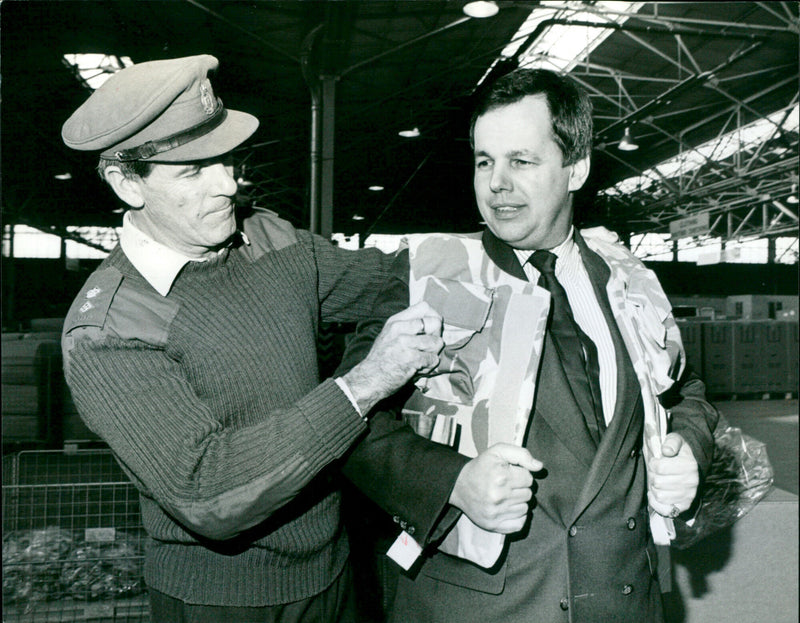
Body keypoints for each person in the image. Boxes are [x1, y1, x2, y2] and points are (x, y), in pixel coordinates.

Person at [58, 54, 448, 622]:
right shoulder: (108, 328)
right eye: (193, 171)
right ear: (127, 183)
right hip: (220, 600)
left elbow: (394, 280)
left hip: (332, 574)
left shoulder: (268, 239)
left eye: (226, 161)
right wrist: (362, 385)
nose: (227, 186)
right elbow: (208, 493)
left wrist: (541, 243)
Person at [339, 68, 719, 622]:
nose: (496, 183)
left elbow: (685, 392)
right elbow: (352, 417)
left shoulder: (630, 279)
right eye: (484, 161)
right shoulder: (425, 274)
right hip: (478, 606)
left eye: (521, 161)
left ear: (576, 168)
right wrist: (453, 483)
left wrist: (689, 448)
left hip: (622, 598)